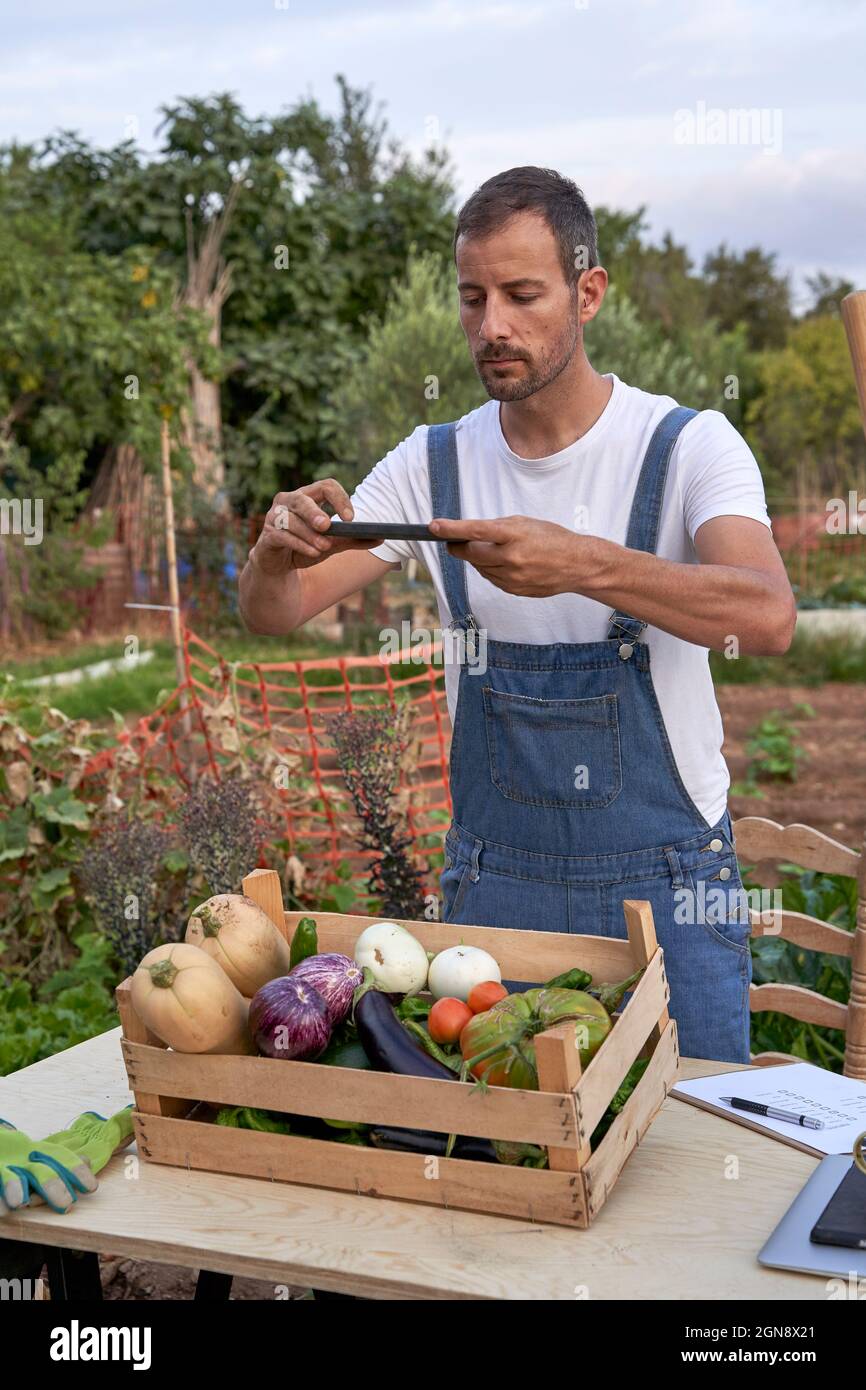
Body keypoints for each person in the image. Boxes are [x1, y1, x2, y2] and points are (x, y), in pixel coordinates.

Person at [239, 166, 796, 1063]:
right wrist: (274, 550)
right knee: (501, 1133)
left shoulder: (688, 446)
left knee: (689, 1137)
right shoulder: (433, 463)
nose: (492, 325)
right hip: (495, 893)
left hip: (669, 896)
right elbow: (278, 611)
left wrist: (582, 563)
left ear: (588, 293)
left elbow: (767, 616)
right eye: (473, 298)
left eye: (522, 295)